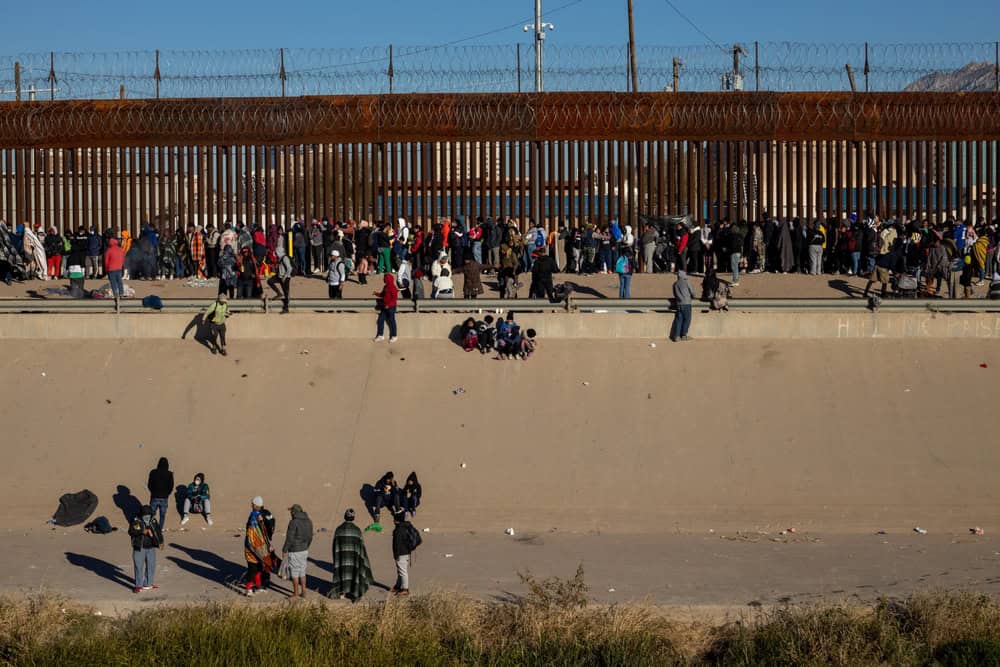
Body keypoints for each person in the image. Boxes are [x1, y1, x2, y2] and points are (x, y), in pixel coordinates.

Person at [330, 509, 374, 602]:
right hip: (354, 557)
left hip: (342, 556)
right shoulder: (357, 530)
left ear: (344, 516)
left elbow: (335, 545)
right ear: (353, 518)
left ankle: (342, 593)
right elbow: (361, 546)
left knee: (342, 572)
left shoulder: (339, 529)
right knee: (354, 572)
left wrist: (336, 555)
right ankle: (355, 592)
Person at [243, 496, 277, 596]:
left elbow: (260, 532)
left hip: (257, 547)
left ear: (256, 505)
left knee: (258, 568)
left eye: (252, 504)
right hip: (253, 548)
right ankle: (248, 588)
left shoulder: (257, 516)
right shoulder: (256, 515)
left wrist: (266, 545)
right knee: (252, 568)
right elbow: (255, 534)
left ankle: (257, 586)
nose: (251, 505)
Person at [128, 505, 163, 593]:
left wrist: (161, 542)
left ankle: (148, 583)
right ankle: (138, 585)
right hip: (139, 547)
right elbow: (131, 531)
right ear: (141, 515)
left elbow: (158, 531)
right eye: (145, 515)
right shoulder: (136, 521)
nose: (147, 517)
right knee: (138, 566)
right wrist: (143, 531)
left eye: (149, 515)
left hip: (151, 546)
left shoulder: (153, 520)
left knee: (151, 565)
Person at [282, 504, 314, 599]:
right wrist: (306, 546)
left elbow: (289, 538)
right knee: (302, 572)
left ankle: (295, 593)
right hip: (304, 550)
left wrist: (284, 549)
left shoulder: (293, 522)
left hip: (295, 550)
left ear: (294, 512)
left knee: (295, 573)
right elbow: (310, 537)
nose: (291, 513)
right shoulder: (309, 521)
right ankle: (304, 591)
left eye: (291, 511)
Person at [391, 510, 421, 596]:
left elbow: (397, 544)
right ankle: (398, 586)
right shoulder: (406, 526)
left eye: (394, 519)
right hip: (406, 552)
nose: (393, 521)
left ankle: (405, 589)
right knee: (400, 570)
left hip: (401, 553)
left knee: (403, 571)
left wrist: (396, 555)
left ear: (397, 520)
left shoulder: (399, 530)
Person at [146, 457, 173, 529]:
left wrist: (153, 492)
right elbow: (171, 487)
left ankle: (150, 528)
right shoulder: (169, 474)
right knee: (162, 515)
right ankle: (160, 529)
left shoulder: (153, 472)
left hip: (154, 496)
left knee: (151, 514)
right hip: (164, 498)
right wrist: (167, 494)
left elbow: (149, 485)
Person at [266, 246, 294, 313]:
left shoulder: (285, 258)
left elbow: (289, 268)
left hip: (285, 278)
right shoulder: (280, 258)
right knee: (269, 281)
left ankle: (286, 308)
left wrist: (285, 276)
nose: (275, 254)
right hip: (279, 276)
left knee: (286, 293)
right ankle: (279, 293)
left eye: (276, 252)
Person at [373, 273, 399, 343]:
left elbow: (394, 299)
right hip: (384, 307)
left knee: (392, 321)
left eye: (384, 278)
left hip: (391, 308)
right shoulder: (385, 287)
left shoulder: (393, 288)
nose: (383, 279)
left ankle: (394, 336)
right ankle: (380, 335)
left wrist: (389, 305)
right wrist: (376, 294)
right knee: (380, 320)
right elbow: (382, 295)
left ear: (388, 279)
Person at [670, 270, 694, 342]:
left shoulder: (675, 284)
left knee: (678, 319)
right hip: (687, 303)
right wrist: (692, 296)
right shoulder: (687, 282)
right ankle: (684, 335)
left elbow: (674, 294)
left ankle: (676, 336)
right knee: (687, 319)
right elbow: (692, 292)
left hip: (679, 304)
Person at [104, 237, 125, 302]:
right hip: (119, 268)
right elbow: (123, 259)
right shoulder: (120, 249)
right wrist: (121, 266)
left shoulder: (109, 250)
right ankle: (121, 293)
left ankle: (116, 294)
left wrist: (106, 269)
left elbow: (106, 261)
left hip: (111, 269)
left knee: (113, 282)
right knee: (120, 282)